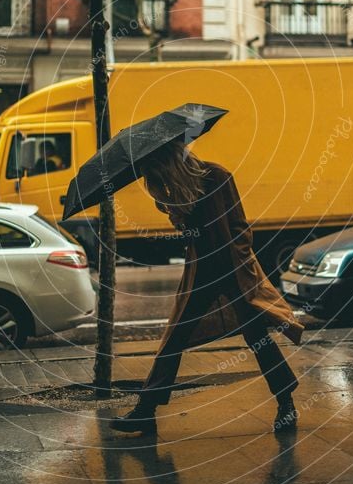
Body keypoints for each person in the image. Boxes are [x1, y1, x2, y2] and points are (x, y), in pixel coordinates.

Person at [110, 139, 304, 437]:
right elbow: (191, 235)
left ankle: (286, 404)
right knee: (174, 338)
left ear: (169, 162)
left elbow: (240, 227)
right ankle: (145, 412)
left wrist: (239, 260)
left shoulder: (218, 176)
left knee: (257, 338)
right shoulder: (177, 192)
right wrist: (171, 209)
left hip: (233, 272)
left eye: (157, 172)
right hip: (201, 274)